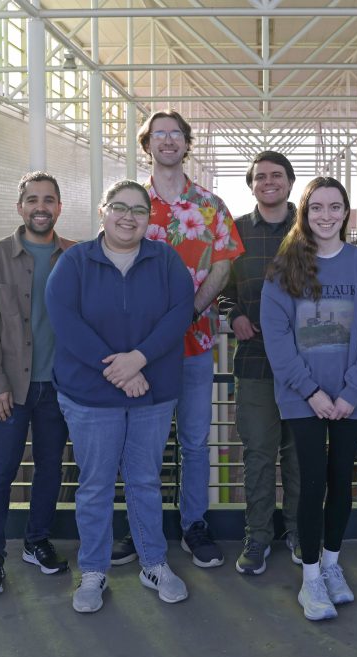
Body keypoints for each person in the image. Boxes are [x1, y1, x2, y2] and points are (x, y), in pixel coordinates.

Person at [46, 180, 194, 613]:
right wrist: (119, 368)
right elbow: (64, 319)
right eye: (119, 207)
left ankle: (153, 562)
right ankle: (92, 571)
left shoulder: (165, 260)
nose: (128, 217)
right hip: (91, 394)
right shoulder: (75, 261)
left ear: (150, 219)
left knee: (145, 480)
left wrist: (140, 359)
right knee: (94, 485)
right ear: (102, 212)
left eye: (138, 210)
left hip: (151, 392)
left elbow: (178, 314)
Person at [111, 110, 244, 569]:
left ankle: (194, 525)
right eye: (159, 134)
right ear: (147, 144)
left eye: (176, 135)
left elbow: (224, 264)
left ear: (187, 144)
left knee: (194, 442)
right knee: (141, 448)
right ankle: (141, 528)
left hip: (195, 347)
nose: (168, 141)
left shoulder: (210, 205)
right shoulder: (130, 205)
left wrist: (187, 313)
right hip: (141, 353)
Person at [261, 177, 357, 621]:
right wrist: (311, 392)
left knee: (341, 483)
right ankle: (311, 578)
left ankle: (333, 566)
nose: (326, 216)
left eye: (335, 207)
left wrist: (353, 391)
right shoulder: (284, 269)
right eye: (317, 207)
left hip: (353, 397)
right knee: (311, 483)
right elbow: (277, 340)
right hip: (303, 398)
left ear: (347, 213)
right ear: (305, 213)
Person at [0, 171, 74, 595]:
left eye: (48, 200)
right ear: (20, 207)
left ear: (59, 208)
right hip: (9, 389)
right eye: (32, 199)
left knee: (51, 469)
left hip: (60, 387)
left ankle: (36, 541)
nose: (41, 207)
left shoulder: (73, 255)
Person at [219, 150, 302, 575]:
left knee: (299, 456)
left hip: (306, 367)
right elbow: (223, 287)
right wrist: (233, 314)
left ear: (289, 181)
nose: (269, 182)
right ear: (251, 185)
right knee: (258, 455)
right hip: (254, 363)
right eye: (260, 177)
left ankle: (299, 532)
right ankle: (258, 536)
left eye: (277, 175)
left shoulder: (307, 229)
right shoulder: (235, 232)